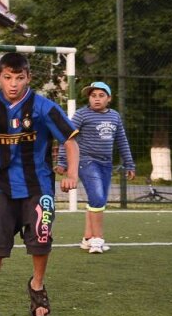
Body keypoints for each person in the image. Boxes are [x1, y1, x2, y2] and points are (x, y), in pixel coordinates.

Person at [0, 52, 78, 316]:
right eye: (8, 78)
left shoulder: (43, 107)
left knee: (41, 239)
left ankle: (37, 286)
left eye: (19, 78)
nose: (13, 84)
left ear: (28, 78)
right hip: (2, 188)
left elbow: (71, 141)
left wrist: (71, 173)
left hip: (39, 187)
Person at [54, 81, 135, 253]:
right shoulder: (82, 115)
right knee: (98, 197)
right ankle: (98, 239)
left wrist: (129, 163)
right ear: (89, 98)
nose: (96, 99)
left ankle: (87, 238)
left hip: (105, 163)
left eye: (101, 95)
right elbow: (67, 137)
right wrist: (62, 161)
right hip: (85, 161)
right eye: (93, 96)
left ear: (109, 98)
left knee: (97, 200)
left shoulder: (115, 116)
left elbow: (122, 140)